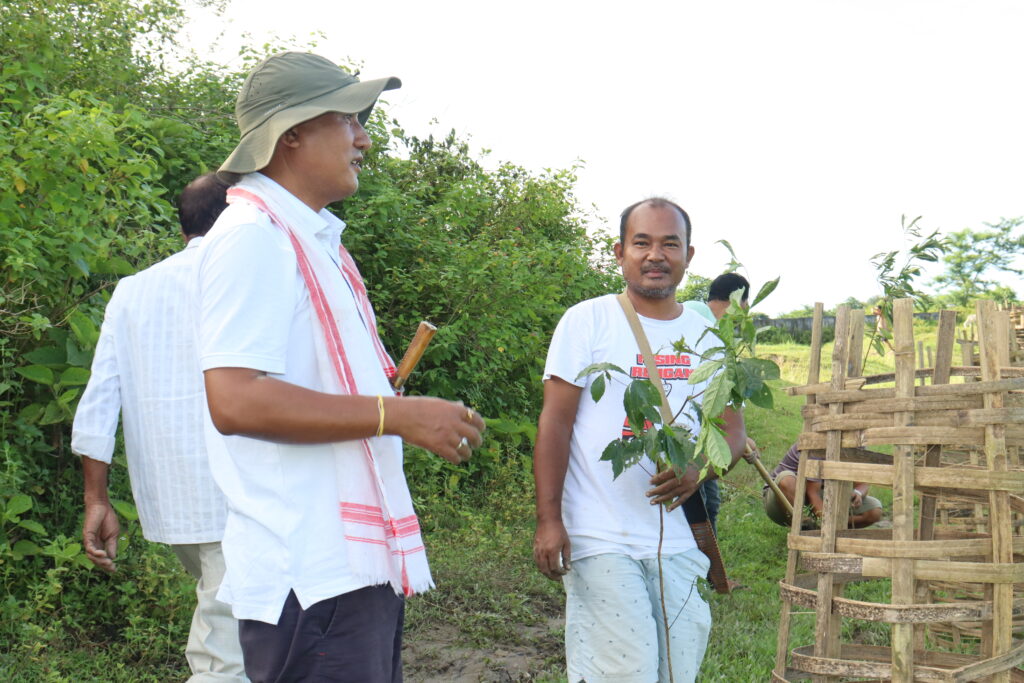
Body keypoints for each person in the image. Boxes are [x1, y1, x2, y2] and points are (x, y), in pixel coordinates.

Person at [195, 51, 485, 682]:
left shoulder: (311, 240)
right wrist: (395, 414)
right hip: (311, 573)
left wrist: (395, 412)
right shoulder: (255, 236)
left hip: (344, 569)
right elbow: (236, 400)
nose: (364, 138)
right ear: (290, 134)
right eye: (348, 119)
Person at [533, 197, 747, 683]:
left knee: (677, 670)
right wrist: (549, 520)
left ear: (689, 255)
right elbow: (555, 425)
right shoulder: (587, 321)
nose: (656, 255)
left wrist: (700, 470)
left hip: (677, 541)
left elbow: (733, 433)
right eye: (642, 243)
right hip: (599, 532)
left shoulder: (708, 335)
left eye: (670, 243)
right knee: (624, 670)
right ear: (620, 252)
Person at [72, 173, 247, 682]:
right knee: (225, 659)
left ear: (183, 227)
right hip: (239, 496)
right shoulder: (241, 277)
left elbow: (99, 402)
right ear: (239, 218)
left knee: (248, 635)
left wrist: (96, 500)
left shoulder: (131, 291)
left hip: (173, 503)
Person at [682, 271, 751, 533]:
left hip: (701, 427)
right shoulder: (701, 319)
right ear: (740, 301)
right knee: (705, 503)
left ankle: (707, 569)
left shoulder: (695, 312)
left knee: (706, 500)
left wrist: (741, 436)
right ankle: (707, 570)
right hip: (690, 430)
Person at [762, 443, 882, 529]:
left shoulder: (858, 445)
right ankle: (803, 527)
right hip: (781, 500)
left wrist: (858, 492)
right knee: (787, 479)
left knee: (873, 510)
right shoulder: (817, 443)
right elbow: (812, 493)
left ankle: (825, 531)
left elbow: (863, 483)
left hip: (820, 495)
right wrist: (826, 520)